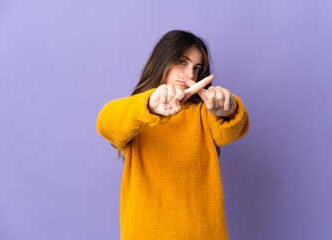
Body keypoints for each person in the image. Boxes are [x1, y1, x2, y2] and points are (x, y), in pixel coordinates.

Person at [97, 30, 249, 240]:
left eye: (197, 68)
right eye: (182, 62)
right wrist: (150, 104)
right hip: (146, 233)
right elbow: (106, 122)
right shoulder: (139, 114)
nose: (190, 75)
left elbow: (232, 131)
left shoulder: (203, 113)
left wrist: (228, 108)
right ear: (162, 61)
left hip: (204, 233)